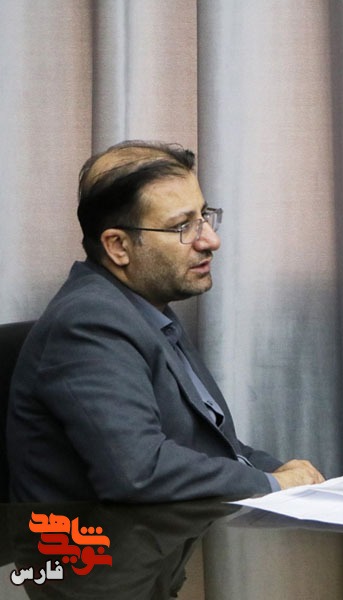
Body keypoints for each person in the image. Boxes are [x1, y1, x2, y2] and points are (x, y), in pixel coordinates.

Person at [7, 140, 324, 502]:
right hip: (98, 540)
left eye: (203, 217)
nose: (211, 240)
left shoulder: (146, 308)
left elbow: (214, 448)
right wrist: (275, 484)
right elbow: (139, 472)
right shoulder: (88, 323)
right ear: (118, 246)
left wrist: (286, 475)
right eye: (182, 226)